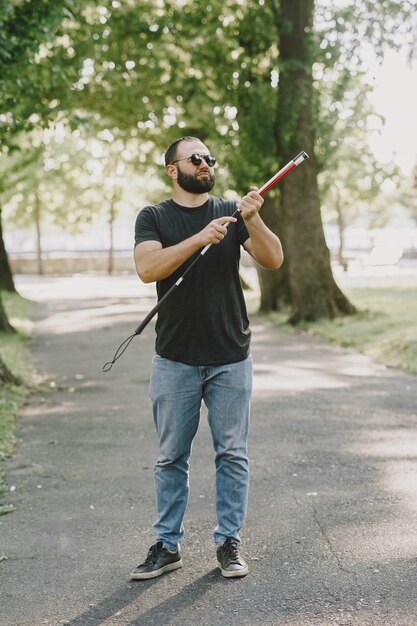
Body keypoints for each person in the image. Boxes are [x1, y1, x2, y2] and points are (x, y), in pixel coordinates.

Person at [130, 136, 283, 580]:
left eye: (209, 158)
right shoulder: (154, 216)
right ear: (171, 169)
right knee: (170, 456)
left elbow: (273, 259)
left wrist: (253, 221)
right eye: (194, 158)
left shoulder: (233, 212)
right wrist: (199, 238)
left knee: (232, 454)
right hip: (174, 357)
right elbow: (147, 269)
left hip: (230, 356)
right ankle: (168, 544)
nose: (204, 164)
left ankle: (229, 541)